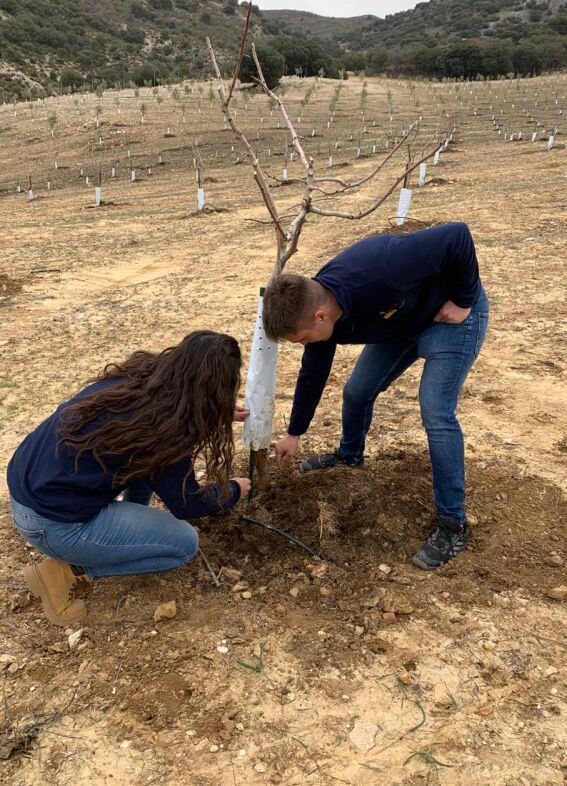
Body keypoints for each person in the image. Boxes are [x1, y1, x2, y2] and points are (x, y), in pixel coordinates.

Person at [262, 222, 489, 570]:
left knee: (436, 412)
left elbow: (455, 236)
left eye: (302, 338)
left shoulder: (381, 269)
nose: (304, 345)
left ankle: (452, 525)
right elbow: (314, 370)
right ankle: (349, 455)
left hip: (450, 318)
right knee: (357, 392)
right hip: (400, 324)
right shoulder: (323, 314)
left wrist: (462, 298)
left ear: (320, 316)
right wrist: (294, 432)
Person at [7, 331, 251, 626]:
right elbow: (188, 504)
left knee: (144, 461)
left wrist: (219, 412)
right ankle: (63, 572)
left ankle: (117, 533)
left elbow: (147, 452)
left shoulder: (137, 382)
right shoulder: (165, 428)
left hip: (27, 493)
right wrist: (235, 489)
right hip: (53, 524)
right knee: (184, 544)